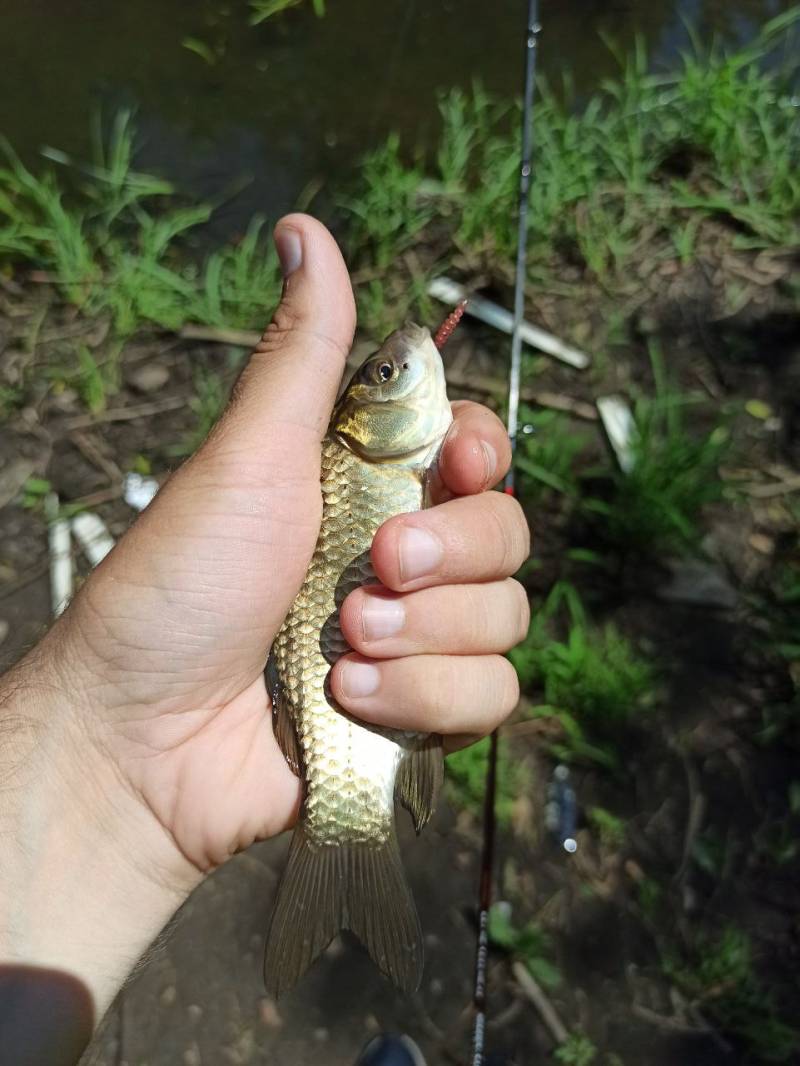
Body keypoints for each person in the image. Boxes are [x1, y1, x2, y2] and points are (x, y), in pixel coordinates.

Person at [0, 215, 530, 1066]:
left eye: (387, 371)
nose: (406, 368)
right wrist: (103, 740)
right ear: (366, 422)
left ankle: (360, 825)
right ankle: (354, 843)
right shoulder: (359, 457)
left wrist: (100, 755)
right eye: (390, 374)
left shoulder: (391, 460)